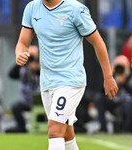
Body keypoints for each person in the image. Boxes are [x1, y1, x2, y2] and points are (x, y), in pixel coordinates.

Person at [15, 0, 118, 150]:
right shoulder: (32, 8)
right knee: (66, 134)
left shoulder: (76, 9)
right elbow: (22, 43)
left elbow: (98, 42)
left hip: (71, 81)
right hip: (47, 83)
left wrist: (108, 77)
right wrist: (20, 53)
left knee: (54, 130)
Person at [6, 45, 40, 133]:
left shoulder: (41, 64)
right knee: (15, 107)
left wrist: (36, 70)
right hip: (27, 100)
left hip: (41, 98)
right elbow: (11, 74)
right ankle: (22, 128)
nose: (31, 57)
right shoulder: (23, 67)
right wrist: (21, 60)